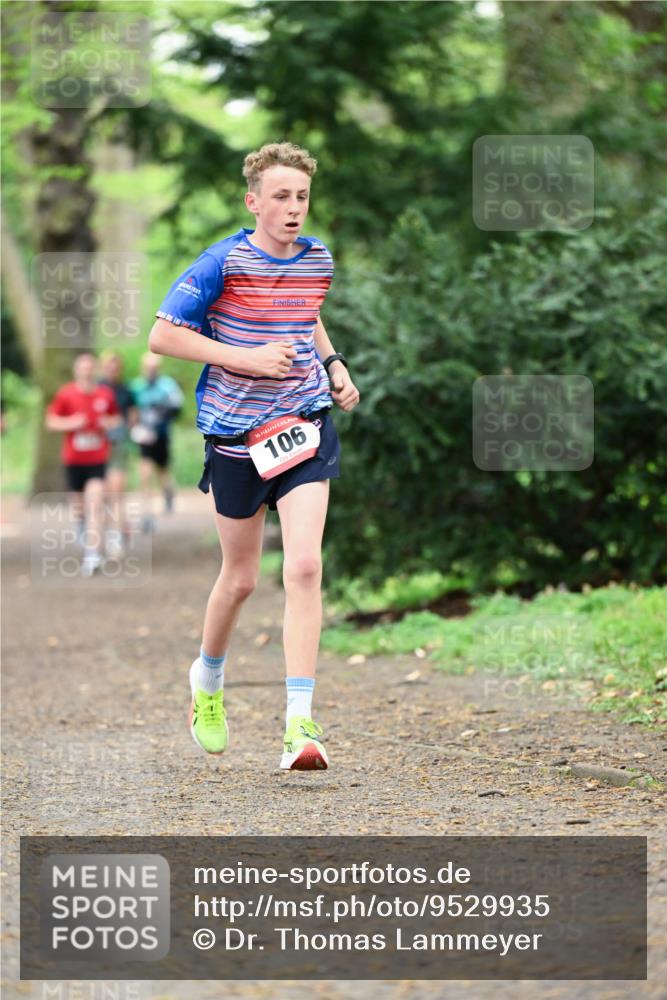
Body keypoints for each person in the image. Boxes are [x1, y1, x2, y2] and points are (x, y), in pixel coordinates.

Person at [148, 141, 360, 770]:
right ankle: (207, 683)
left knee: (303, 566)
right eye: (281, 198)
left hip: (303, 424)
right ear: (253, 202)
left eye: (301, 197)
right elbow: (163, 336)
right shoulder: (221, 262)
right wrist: (247, 359)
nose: (294, 209)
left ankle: (300, 725)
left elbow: (306, 312)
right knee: (240, 579)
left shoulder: (316, 256)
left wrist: (333, 364)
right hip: (236, 437)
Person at [45, 351, 121, 576]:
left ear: (95, 370)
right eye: (83, 367)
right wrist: (72, 423)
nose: (87, 371)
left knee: (95, 504)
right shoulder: (66, 394)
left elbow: (116, 418)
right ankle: (81, 527)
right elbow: (50, 422)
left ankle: (93, 555)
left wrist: (109, 423)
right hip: (73, 460)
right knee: (79, 508)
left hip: (97, 459)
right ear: (76, 370)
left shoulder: (105, 394)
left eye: (90, 367)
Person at [129, 352, 183, 532]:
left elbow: (177, 408)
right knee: (145, 474)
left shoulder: (167, 385)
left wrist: (162, 413)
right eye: (148, 368)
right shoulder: (136, 386)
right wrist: (134, 427)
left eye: (154, 368)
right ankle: (147, 515)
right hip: (144, 436)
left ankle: (168, 491)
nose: (151, 371)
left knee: (162, 471)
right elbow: (131, 409)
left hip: (161, 435)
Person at [99, 350, 137, 558]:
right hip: (97, 444)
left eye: (116, 365)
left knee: (116, 491)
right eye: (109, 365)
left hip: (118, 441)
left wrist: (126, 429)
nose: (112, 369)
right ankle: (107, 532)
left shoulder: (126, 390)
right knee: (100, 491)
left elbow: (132, 414)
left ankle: (117, 533)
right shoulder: (97, 387)